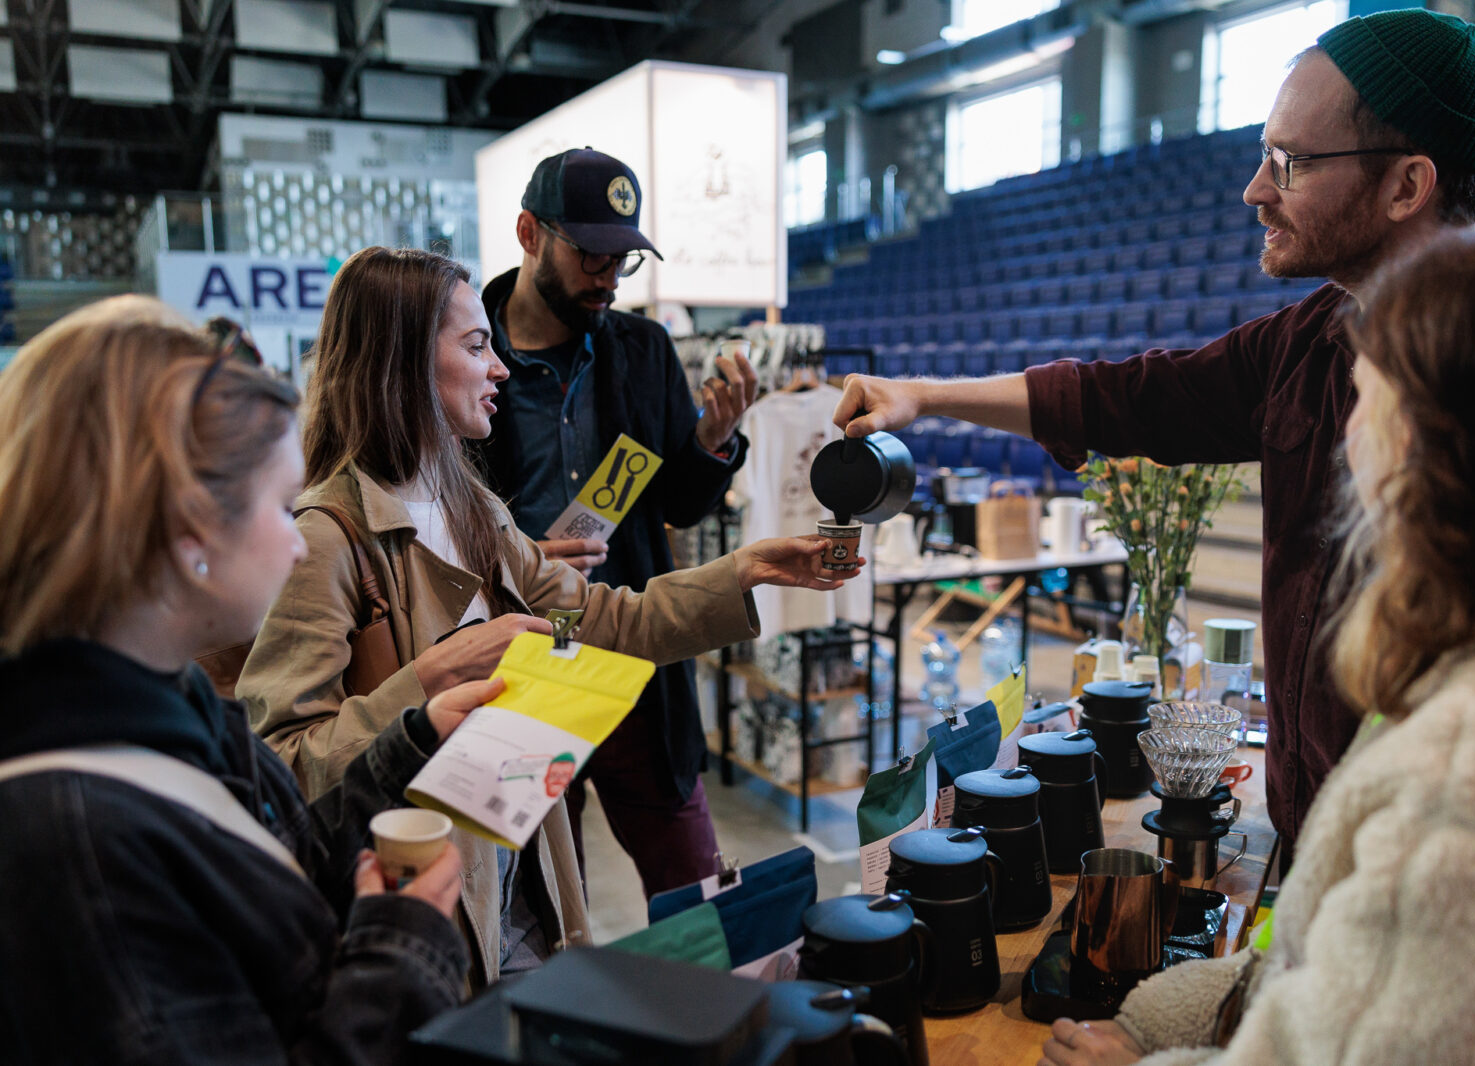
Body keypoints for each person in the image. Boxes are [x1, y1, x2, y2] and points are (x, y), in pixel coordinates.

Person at [832, 9, 1475, 860]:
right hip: (1315, 853)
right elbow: (1131, 397)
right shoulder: (1307, 340)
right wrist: (923, 396)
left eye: (1288, 163)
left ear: (1407, 186)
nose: (1255, 190)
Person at [1039, 227, 1475, 1064]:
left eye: (1368, 394)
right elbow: (1320, 976)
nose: (1348, 431)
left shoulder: (1466, 802)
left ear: (1432, 443)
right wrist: (1161, 1021)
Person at [239, 245, 854, 986]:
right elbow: (278, 770)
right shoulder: (326, 539)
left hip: (520, 874)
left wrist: (743, 571)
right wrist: (429, 683)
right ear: (399, 363)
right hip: (422, 915)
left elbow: (596, 623)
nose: (500, 367)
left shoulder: (475, 508)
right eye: (475, 346)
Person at [0, 296, 502, 1063]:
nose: (298, 543)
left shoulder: (172, 703)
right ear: (189, 533)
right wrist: (401, 956)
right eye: (277, 505)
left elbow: (274, 856)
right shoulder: (74, 842)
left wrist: (412, 743)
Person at [473, 147, 757, 899]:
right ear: (530, 233)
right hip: (523, 663)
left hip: (630, 652)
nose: (606, 277)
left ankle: (712, 1015)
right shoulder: (472, 356)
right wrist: (517, 558)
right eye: (590, 254)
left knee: (692, 883)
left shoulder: (643, 350)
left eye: (622, 260)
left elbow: (679, 505)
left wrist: (711, 443)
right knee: (536, 898)